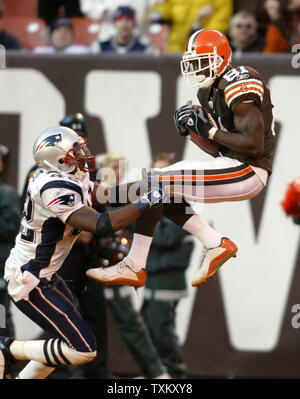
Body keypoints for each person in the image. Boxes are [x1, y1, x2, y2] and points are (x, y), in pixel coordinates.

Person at [86, 28, 275, 291]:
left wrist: (209, 130)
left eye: (201, 61)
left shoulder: (238, 81)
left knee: (154, 182)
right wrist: (195, 133)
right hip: (232, 165)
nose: (196, 68)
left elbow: (254, 146)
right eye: (193, 62)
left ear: (220, 59)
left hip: (249, 171)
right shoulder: (206, 92)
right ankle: (214, 243)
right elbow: (218, 150)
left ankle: (104, 207)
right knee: (161, 191)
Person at [0, 126, 165, 379]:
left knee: (63, 345)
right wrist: (145, 201)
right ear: (60, 160)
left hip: (46, 275)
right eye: (76, 151)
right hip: (29, 279)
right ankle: (8, 348)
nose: (85, 155)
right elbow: (101, 224)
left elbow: (107, 195)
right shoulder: (52, 186)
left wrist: (146, 186)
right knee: (83, 350)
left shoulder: (69, 177)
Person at [97, 152, 170, 379]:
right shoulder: (92, 193)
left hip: (116, 271)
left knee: (132, 325)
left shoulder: (123, 194)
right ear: (104, 169)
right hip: (91, 272)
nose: (118, 172)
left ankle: (157, 374)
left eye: (121, 168)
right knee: (86, 326)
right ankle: (85, 374)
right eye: (114, 168)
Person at [141, 152, 193, 379]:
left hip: (168, 281)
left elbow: (165, 238)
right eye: (154, 173)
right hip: (151, 279)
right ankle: (159, 376)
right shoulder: (152, 204)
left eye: (164, 173)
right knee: (150, 331)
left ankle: (175, 376)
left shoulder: (181, 204)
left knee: (163, 332)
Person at [148, 0, 233, 53]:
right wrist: (161, 5)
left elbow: (221, 21)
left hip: (201, 49)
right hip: (174, 46)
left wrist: (203, 40)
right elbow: (160, 16)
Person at [0, 147, 20, 339]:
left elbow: (12, 228)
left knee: (0, 316)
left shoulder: (8, 194)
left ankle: (6, 362)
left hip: (0, 267)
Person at [91, 6, 156, 54]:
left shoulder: (144, 47)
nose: (124, 24)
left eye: (128, 20)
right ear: (114, 24)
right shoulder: (102, 46)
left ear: (134, 24)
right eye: (120, 20)